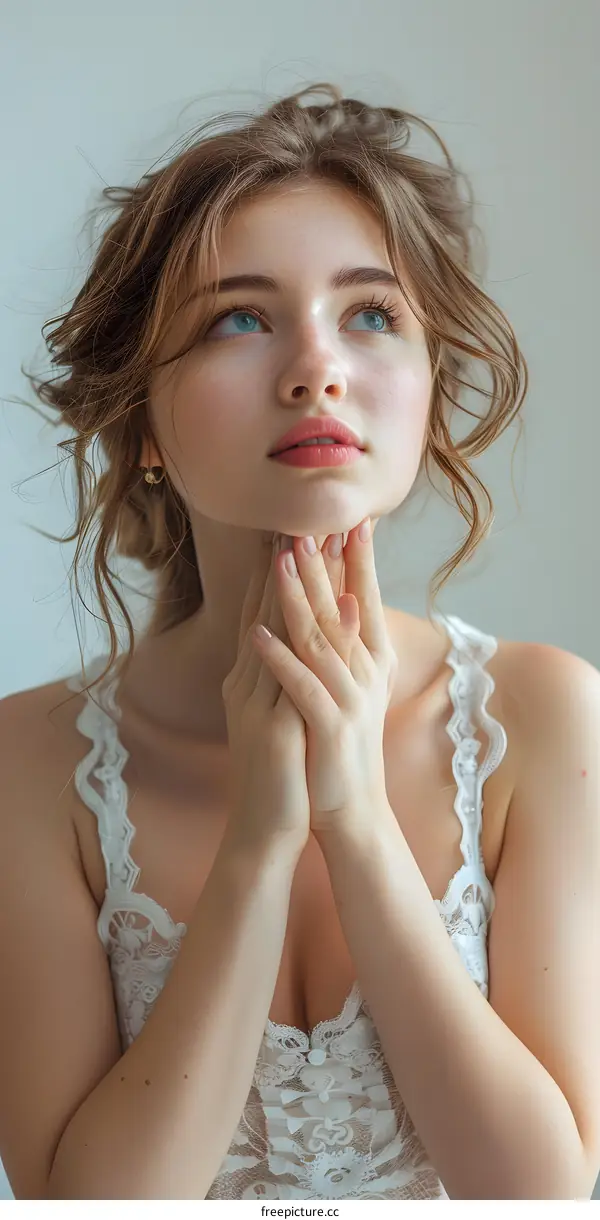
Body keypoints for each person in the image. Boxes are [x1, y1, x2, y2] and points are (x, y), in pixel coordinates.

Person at [1, 83, 599, 1203]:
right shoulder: (27, 763)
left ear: (428, 386)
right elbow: (86, 1206)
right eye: (240, 316)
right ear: (139, 429)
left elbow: (541, 1193)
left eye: (371, 313)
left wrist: (354, 821)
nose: (316, 366)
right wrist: (259, 845)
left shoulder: (546, 714)